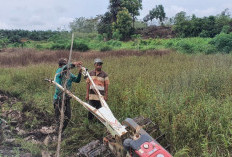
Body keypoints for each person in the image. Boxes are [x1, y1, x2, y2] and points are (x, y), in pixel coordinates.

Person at [53, 58, 82, 132]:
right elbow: (65, 68)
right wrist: (74, 64)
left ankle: (61, 131)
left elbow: (77, 80)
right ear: (61, 65)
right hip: (58, 98)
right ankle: (56, 132)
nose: (67, 67)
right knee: (58, 117)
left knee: (68, 116)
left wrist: (80, 73)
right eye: (65, 64)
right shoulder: (59, 71)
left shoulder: (69, 74)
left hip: (66, 98)